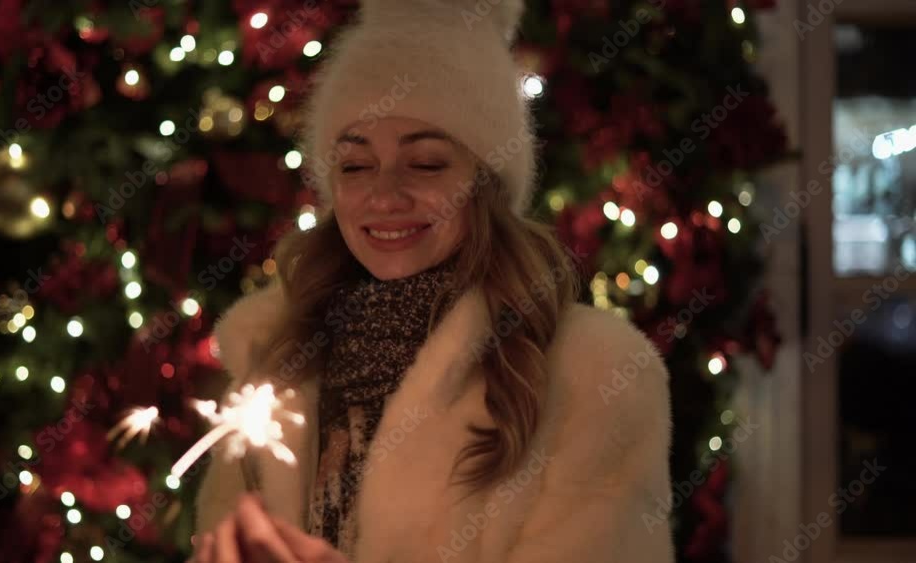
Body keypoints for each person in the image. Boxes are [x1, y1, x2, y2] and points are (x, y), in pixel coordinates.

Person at [191, 0, 675, 561]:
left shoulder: (595, 377)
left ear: (486, 184)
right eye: (355, 166)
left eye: (425, 164)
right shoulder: (276, 359)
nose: (384, 197)